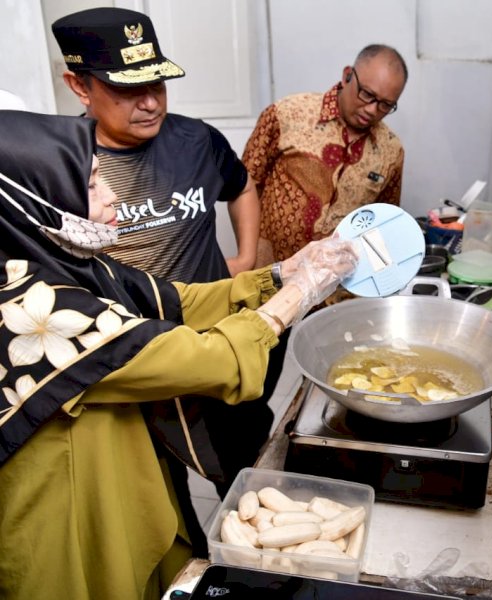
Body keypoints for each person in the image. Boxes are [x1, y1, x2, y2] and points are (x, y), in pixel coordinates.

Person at [0, 109, 357, 600]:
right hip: (68, 509)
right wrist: (293, 300)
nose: (112, 198)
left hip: (120, 468)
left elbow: (175, 302)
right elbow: (203, 358)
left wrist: (278, 274)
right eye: (92, 184)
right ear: (40, 198)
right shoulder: (31, 307)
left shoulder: (60, 258)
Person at [51, 6, 270, 551]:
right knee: (162, 506)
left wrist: (242, 257)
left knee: (254, 484)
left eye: (157, 83)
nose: (150, 101)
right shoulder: (65, 166)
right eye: (127, 89)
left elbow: (240, 186)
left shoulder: (196, 140)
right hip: (137, 368)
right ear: (79, 86)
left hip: (215, 345)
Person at [242, 43, 408, 267]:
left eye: (386, 105)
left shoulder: (391, 150)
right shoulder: (287, 114)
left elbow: (382, 221)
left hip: (338, 288)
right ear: (347, 75)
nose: (372, 110)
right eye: (367, 94)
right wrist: (247, 257)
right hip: (271, 276)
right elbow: (244, 187)